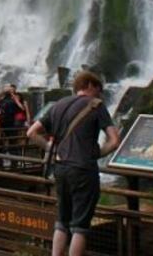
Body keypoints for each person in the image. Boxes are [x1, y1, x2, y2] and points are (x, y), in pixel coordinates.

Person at [27, 71, 120, 256]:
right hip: (83, 169)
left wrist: (49, 146)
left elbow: (31, 132)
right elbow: (115, 140)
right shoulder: (96, 105)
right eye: (98, 90)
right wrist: (98, 153)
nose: (100, 94)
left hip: (60, 168)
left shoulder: (57, 105)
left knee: (62, 220)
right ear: (89, 86)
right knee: (80, 226)